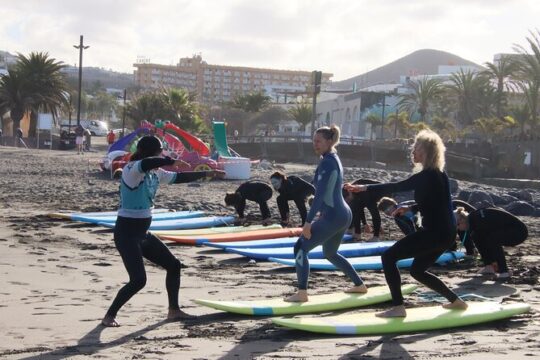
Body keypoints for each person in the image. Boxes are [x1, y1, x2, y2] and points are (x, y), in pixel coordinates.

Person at [101, 135, 225, 327]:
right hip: (126, 234)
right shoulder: (132, 169)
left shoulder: (155, 173)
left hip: (143, 234)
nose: (163, 154)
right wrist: (171, 161)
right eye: (161, 151)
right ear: (154, 152)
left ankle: (173, 311)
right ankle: (109, 316)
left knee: (174, 266)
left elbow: (179, 178)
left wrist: (206, 173)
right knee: (138, 280)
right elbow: (148, 162)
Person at [345, 129, 467, 317]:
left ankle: (398, 307)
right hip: (445, 234)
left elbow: (397, 186)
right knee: (417, 271)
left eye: (416, 148)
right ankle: (456, 301)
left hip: (434, 233)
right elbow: (436, 203)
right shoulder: (439, 175)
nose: (412, 151)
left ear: (427, 152)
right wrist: (411, 207)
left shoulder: (427, 175)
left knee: (388, 258)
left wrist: (365, 187)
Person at [285, 125, 366, 303]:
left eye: (319, 141)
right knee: (330, 253)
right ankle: (359, 285)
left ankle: (302, 292)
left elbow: (320, 195)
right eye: (314, 141)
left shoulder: (327, 162)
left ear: (329, 141)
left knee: (300, 248)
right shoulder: (333, 158)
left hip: (334, 215)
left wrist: (308, 222)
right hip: (342, 214)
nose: (315, 144)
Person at [455, 206, 528, 279]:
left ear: (462, 219)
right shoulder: (472, 219)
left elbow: (490, 245)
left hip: (519, 232)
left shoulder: (478, 219)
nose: (458, 228)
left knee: (492, 239)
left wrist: (494, 262)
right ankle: (488, 266)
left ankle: (503, 271)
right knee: (476, 236)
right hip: (506, 230)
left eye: (457, 225)